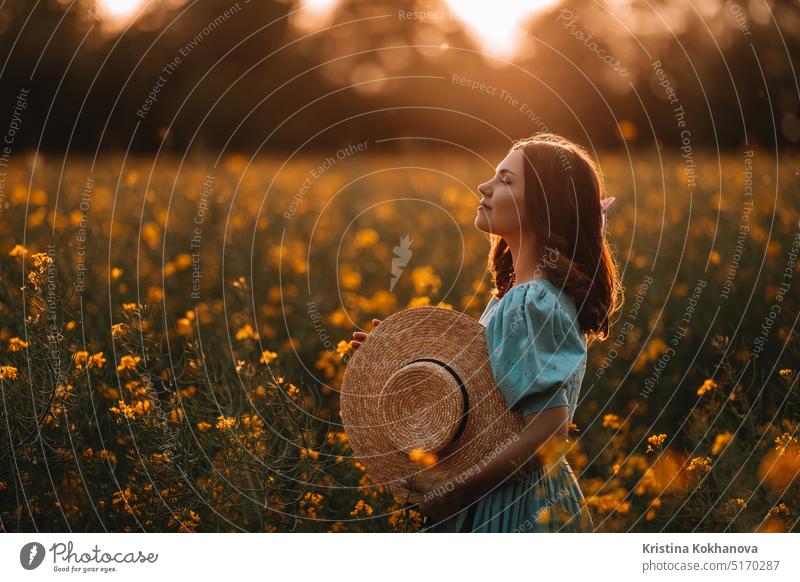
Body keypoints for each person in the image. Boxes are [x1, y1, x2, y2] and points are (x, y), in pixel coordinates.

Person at [351, 132, 623, 532]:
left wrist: (458, 491)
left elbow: (550, 429)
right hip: (514, 493)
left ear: (542, 206)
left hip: (510, 504)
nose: (485, 186)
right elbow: (488, 401)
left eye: (506, 180)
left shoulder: (533, 302)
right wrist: (397, 361)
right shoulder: (521, 296)